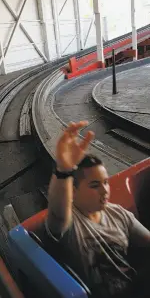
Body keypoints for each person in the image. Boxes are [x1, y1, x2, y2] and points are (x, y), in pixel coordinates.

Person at [44, 121, 150, 298]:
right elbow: (56, 213)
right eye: (95, 185)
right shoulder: (70, 222)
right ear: (74, 191)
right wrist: (63, 171)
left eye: (106, 183)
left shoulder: (119, 213)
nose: (105, 191)